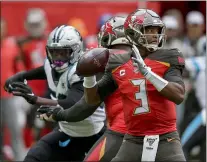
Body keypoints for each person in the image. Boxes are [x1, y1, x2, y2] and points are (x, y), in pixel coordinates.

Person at [38, 9, 186, 161]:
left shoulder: (169, 57)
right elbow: (90, 101)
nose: (155, 35)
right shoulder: (116, 63)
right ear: (132, 33)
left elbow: (179, 95)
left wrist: (147, 73)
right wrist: (89, 76)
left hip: (155, 134)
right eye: (149, 30)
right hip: (132, 138)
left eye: (157, 30)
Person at [4, 25, 106, 162]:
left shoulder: (82, 69)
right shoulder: (50, 65)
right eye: (54, 52)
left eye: (63, 53)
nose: (58, 58)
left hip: (92, 135)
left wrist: (36, 99)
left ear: (75, 51)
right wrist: (20, 76)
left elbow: (72, 103)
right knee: (33, 157)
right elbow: (43, 70)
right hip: (66, 132)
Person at [38, 16, 130, 162]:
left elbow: (86, 105)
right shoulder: (154, 61)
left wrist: (59, 114)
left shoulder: (108, 62)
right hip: (157, 132)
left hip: (122, 131)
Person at [1, 17, 26, 161]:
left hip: (9, 96)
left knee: (15, 130)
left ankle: (20, 158)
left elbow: (20, 69)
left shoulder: (11, 46)